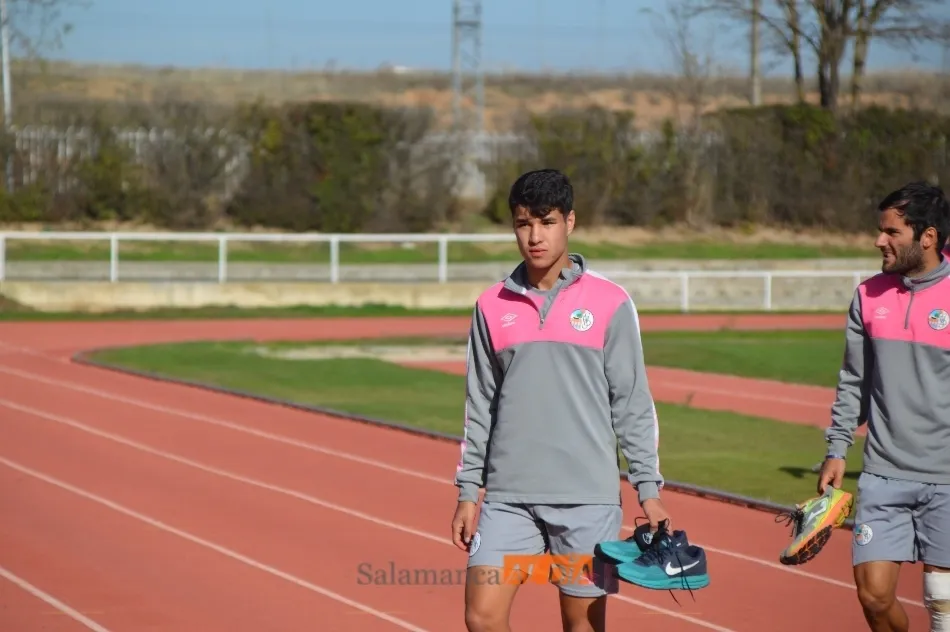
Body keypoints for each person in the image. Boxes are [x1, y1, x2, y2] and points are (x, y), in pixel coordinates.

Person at [450, 168, 669, 632]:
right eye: (523, 223)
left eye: (546, 222)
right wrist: (469, 492)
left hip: (588, 499)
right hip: (509, 498)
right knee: (481, 617)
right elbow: (479, 403)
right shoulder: (491, 305)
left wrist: (648, 492)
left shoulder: (611, 301)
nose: (534, 236)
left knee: (582, 625)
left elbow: (631, 401)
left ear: (570, 222)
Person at [814, 181, 950, 632]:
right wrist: (836, 450)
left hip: (947, 477)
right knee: (873, 596)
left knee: (942, 603)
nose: (879, 241)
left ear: (926, 237)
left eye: (891, 232)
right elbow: (853, 381)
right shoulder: (868, 296)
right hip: (883, 474)